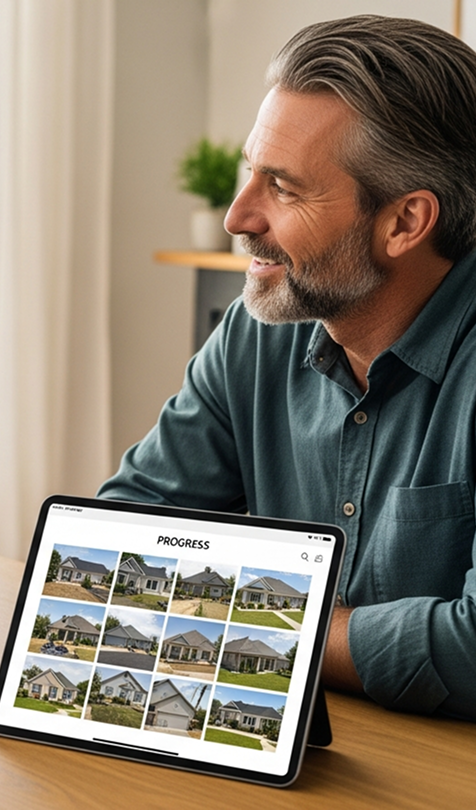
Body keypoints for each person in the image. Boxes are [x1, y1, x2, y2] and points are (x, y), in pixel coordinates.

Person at [99, 15, 476, 720]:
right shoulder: (259, 327)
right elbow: (120, 543)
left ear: (405, 222)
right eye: (251, 172)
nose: (237, 217)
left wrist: (249, 621)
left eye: (284, 187)